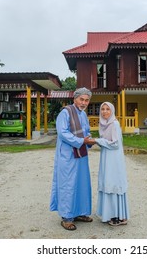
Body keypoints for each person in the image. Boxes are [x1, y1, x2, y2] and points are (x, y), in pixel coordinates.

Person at [50, 87, 96, 231]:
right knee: (68, 184)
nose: (84, 102)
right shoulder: (65, 112)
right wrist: (81, 141)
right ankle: (67, 217)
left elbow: (86, 131)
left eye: (87, 100)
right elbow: (62, 133)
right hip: (68, 154)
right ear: (75, 99)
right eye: (81, 99)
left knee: (82, 183)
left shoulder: (83, 114)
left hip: (81, 154)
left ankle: (80, 213)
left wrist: (89, 140)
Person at [94, 101, 129, 226]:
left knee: (113, 181)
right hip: (106, 157)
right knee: (108, 180)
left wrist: (97, 140)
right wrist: (98, 141)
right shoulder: (103, 124)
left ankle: (116, 215)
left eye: (107, 109)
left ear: (112, 111)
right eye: (102, 109)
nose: (104, 112)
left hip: (113, 158)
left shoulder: (114, 124)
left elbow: (114, 144)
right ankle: (113, 213)